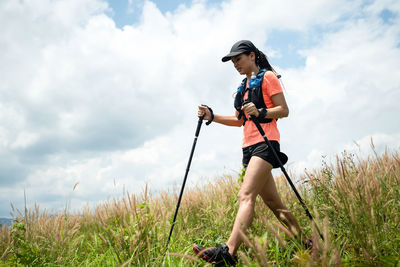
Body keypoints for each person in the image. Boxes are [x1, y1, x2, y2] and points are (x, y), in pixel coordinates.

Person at [192, 40, 306, 266]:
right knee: (274, 203)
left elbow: (284, 110)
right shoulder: (243, 88)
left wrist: (261, 110)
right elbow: (239, 121)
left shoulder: (268, 78)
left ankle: (228, 253)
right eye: (233, 61)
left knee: (245, 195)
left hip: (267, 143)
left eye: (239, 59)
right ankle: (307, 244)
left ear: (252, 56)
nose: (236, 64)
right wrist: (211, 117)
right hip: (249, 146)